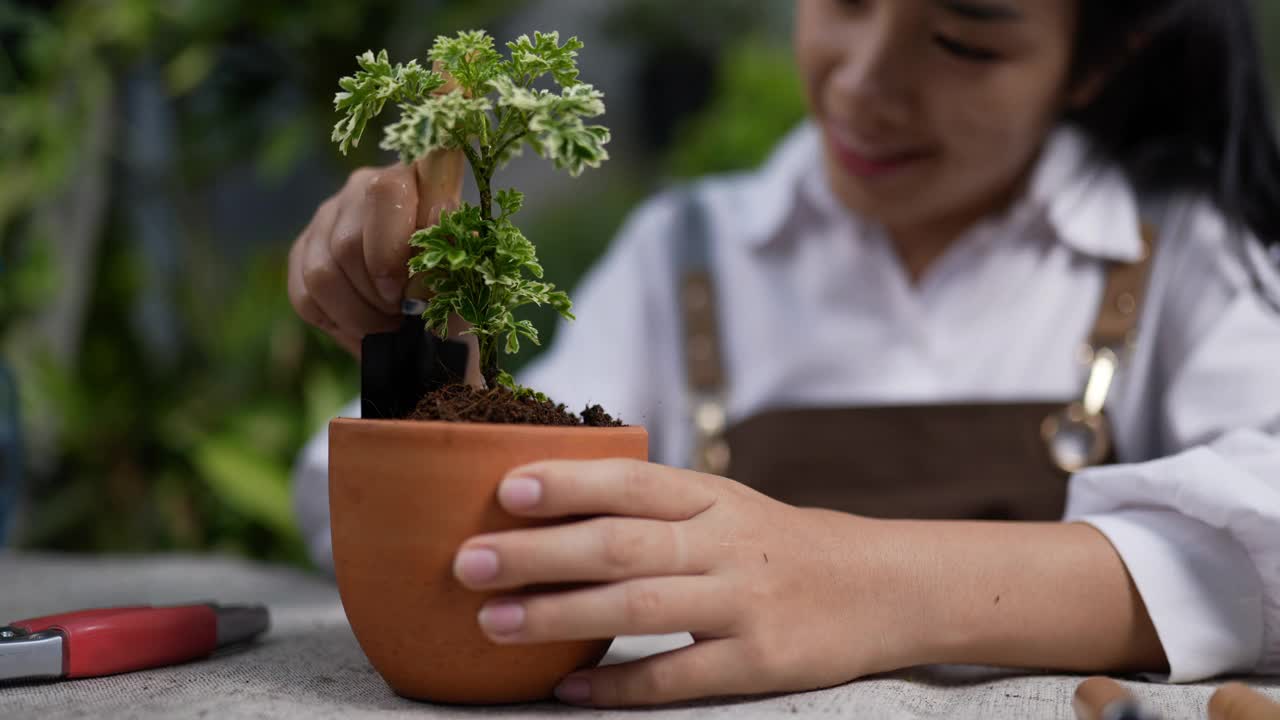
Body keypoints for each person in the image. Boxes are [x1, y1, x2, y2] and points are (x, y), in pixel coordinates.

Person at [288, 0, 1280, 708]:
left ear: (1094, 60)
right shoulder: (687, 256)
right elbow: (452, 531)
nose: (863, 81)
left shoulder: (1178, 256)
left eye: (961, 39)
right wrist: (430, 342)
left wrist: (868, 585)